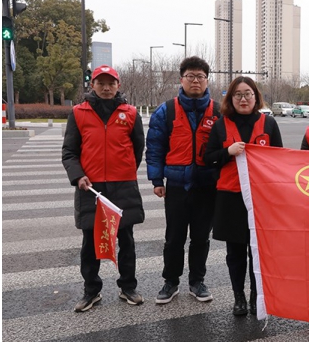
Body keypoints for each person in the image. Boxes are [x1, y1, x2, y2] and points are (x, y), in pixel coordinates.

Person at [62, 65, 145, 312]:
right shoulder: (78, 113)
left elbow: (137, 149)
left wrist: (124, 171)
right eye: (101, 83)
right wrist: (78, 176)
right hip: (91, 188)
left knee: (126, 239)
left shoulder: (131, 113)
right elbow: (69, 152)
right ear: (93, 85)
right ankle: (91, 290)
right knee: (90, 241)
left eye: (111, 83)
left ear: (118, 85)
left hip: (123, 186)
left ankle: (128, 287)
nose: (106, 88)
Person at [204, 76, 283, 316]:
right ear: (231, 99)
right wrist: (227, 152)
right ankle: (238, 296)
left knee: (257, 251)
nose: (243, 99)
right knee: (235, 252)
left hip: (261, 198)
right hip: (231, 197)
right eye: (237, 94)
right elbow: (208, 158)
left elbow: (280, 160)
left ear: (255, 97)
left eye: (248, 93)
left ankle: (256, 296)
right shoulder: (221, 125)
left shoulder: (269, 124)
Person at [146, 56, 220, 305]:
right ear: (181, 79)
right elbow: (154, 147)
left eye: (200, 76)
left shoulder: (218, 112)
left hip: (207, 186)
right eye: (190, 76)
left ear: (207, 80)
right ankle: (171, 281)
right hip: (177, 186)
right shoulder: (166, 110)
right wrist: (157, 179)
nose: (195, 81)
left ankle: (197, 281)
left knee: (201, 238)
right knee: (174, 238)